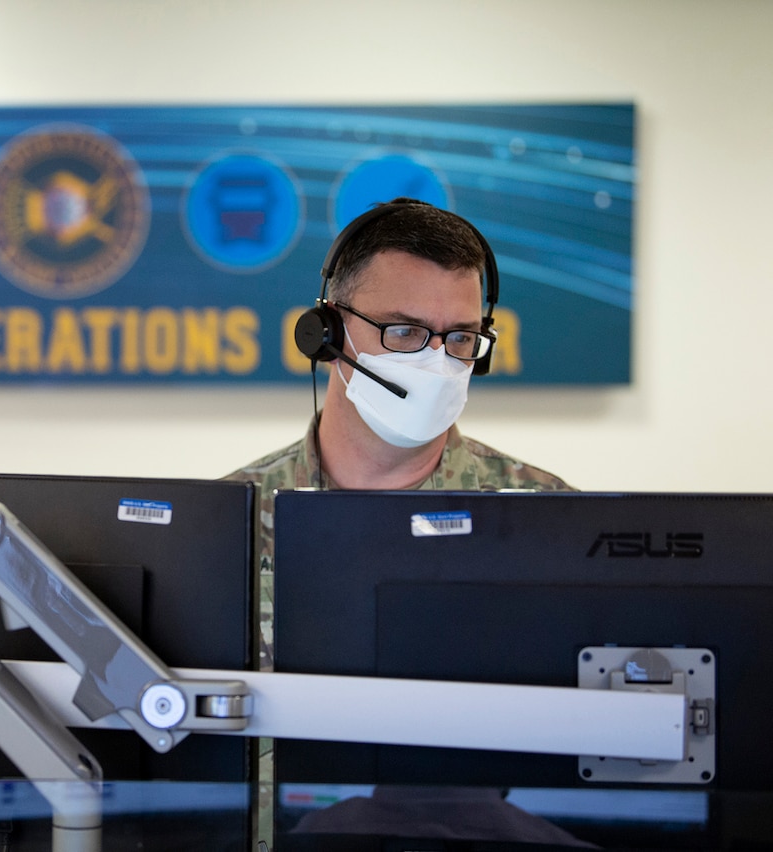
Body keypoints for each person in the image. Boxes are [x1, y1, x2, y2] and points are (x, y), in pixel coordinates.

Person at [226, 198, 573, 846]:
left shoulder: (551, 521)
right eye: (405, 332)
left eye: (461, 338)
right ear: (326, 334)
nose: (437, 361)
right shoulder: (226, 523)